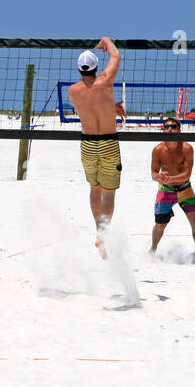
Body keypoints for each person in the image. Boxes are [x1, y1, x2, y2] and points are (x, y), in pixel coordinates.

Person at [66, 37, 127, 257]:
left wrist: (111, 107)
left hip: (88, 143)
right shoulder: (105, 82)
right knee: (109, 194)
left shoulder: (73, 91)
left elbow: (92, 102)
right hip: (109, 141)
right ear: (96, 67)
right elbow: (116, 56)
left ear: (78, 69)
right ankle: (104, 234)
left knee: (95, 190)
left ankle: (99, 234)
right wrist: (106, 41)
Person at [150, 116, 195, 257]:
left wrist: (170, 179)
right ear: (163, 130)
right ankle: (153, 249)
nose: (170, 129)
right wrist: (159, 177)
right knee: (160, 224)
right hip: (165, 190)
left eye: (173, 126)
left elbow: (187, 174)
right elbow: (153, 173)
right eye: (167, 127)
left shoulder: (187, 148)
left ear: (179, 130)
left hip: (184, 188)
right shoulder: (158, 149)